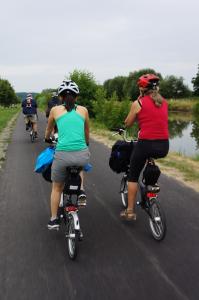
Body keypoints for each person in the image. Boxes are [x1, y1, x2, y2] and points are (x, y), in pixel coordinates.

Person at [120, 74, 169, 221]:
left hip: (146, 144)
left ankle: (129, 212)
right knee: (150, 160)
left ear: (142, 88)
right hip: (164, 145)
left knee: (133, 176)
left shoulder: (138, 103)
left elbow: (127, 123)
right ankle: (151, 187)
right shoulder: (164, 102)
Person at [45, 80, 90, 229]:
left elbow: (49, 129)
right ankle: (81, 189)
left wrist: (47, 138)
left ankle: (53, 219)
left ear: (60, 97)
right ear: (76, 97)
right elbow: (86, 132)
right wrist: (86, 144)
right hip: (82, 154)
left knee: (56, 188)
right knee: (81, 166)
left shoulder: (55, 110)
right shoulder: (83, 110)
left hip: (62, 155)